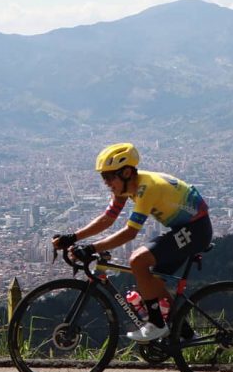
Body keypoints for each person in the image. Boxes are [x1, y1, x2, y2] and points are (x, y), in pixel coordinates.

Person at [53, 143, 212, 342]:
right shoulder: (126, 186)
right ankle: (185, 333)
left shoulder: (147, 188)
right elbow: (107, 218)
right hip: (183, 229)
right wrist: (73, 237)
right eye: (104, 177)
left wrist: (92, 248)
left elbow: (130, 233)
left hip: (197, 230)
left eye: (110, 177)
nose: (106, 183)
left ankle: (156, 325)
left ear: (126, 172)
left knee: (138, 260)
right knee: (154, 284)